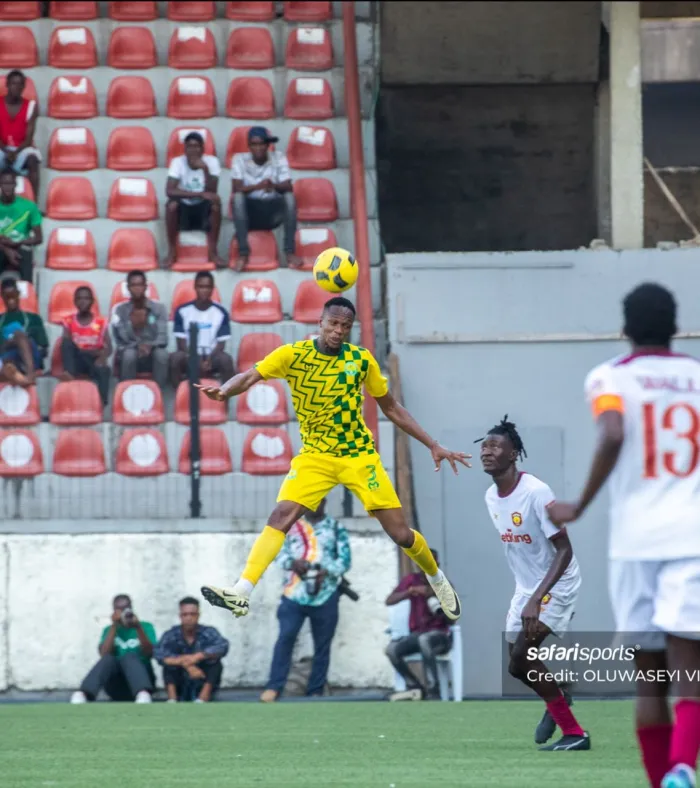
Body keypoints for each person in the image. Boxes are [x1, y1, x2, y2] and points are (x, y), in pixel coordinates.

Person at [197, 296, 469, 625]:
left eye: (345, 326)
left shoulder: (361, 360)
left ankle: (436, 579)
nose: (338, 331)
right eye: (333, 324)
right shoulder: (292, 356)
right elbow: (251, 376)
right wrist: (225, 391)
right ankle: (242, 590)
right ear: (320, 323)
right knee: (281, 514)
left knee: (401, 534)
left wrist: (432, 444)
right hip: (315, 455)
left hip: (358, 455)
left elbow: (391, 408)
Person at [548, 283, 700, 788]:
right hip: (692, 539)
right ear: (676, 327)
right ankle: (682, 765)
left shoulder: (610, 377)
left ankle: (665, 778)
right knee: (689, 671)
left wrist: (580, 504)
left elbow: (612, 432)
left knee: (650, 677)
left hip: (637, 543)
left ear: (626, 328)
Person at [479, 416, 588, 750]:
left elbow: (565, 550)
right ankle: (560, 698)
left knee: (522, 658)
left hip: (557, 584)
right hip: (527, 588)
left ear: (513, 454)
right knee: (517, 665)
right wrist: (528, 594)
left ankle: (575, 733)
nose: (487, 451)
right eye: (484, 445)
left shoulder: (537, 493)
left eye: (496, 446)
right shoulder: (490, 497)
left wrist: (537, 598)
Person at [261, 498, 351, 703]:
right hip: (294, 593)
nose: (315, 505)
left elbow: (345, 561)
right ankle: (274, 687)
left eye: (319, 501)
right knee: (285, 638)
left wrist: (326, 571)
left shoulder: (336, 528)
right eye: (311, 501)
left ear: (325, 502)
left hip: (326, 593)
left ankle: (315, 690)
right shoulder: (291, 527)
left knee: (322, 645)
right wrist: (293, 563)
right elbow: (277, 554)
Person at [385, 549, 452, 701]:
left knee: (425, 641)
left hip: (440, 636)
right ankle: (415, 687)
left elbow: (453, 619)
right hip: (417, 634)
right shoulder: (411, 581)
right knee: (391, 650)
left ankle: (433, 691)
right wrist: (409, 592)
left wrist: (433, 593)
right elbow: (389, 600)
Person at [231, 126, 300, 271]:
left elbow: (288, 186)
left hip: (272, 211)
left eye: (262, 144)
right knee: (237, 198)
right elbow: (236, 188)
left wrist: (273, 185)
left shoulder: (279, 157)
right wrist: (259, 186)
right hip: (250, 213)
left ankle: (289, 252)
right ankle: (243, 253)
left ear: (268, 145)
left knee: (289, 198)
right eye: (254, 144)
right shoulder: (239, 159)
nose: (258, 148)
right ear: (249, 146)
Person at [70, 594, 156, 704]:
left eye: (126, 608)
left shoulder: (146, 626)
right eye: (119, 609)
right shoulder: (108, 630)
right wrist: (114, 626)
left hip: (144, 682)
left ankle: (143, 694)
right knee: (109, 659)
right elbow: (104, 654)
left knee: (129, 656)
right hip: (116, 685)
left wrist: (138, 628)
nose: (123, 612)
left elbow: (150, 653)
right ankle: (84, 694)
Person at [155, 597, 229, 703]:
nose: (189, 618)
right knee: (169, 665)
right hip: (180, 682)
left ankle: (202, 699)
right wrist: (187, 664)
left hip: (201, 678)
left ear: (198, 615)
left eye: (192, 614)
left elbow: (223, 646)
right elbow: (159, 654)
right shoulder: (171, 634)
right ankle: (172, 699)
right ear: (180, 616)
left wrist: (197, 657)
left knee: (215, 663)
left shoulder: (208, 632)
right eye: (185, 615)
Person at [165, 131, 223, 267]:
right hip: (184, 208)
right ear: (185, 149)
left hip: (203, 209)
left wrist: (205, 170)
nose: (193, 150)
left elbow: (212, 191)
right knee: (171, 205)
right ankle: (172, 251)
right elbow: (169, 191)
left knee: (216, 203)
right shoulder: (177, 162)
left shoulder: (212, 161)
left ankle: (213, 251)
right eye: (189, 147)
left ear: (203, 148)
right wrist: (198, 194)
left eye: (197, 146)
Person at [169, 271, 234, 388]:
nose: (204, 290)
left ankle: (224, 400)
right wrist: (196, 358)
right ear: (195, 287)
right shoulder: (182, 311)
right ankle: (180, 397)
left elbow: (221, 344)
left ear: (212, 289)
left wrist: (209, 359)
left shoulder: (221, 312)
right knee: (175, 358)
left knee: (226, 360)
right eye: (201, 286)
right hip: (189, 354)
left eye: (208, 287)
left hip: (212, 356)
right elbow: (181, 344)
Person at [111, 271, 168, 390]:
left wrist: (149, 346)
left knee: (161, 354)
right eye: (133, 285)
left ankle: (158, 394)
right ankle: (126, 393)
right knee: (129, 355)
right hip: (130, 350)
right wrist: (134, 326)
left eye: (140, 285)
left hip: (152, 352)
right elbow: (121, 339)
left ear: (145, 287)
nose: (137, 289)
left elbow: (163, 338)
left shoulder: (159, 308)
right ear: (128, 288)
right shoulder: (120, 310)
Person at [61, 285, 111, 405]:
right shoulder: (68, 321)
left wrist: (102, 358)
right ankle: (70, 375)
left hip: (93, 359)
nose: (83, 301)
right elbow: (66, 345)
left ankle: (101, 403)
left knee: (104, 369)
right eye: (79, 298)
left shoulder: (101, 322)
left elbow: (109, 346)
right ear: (75, 301)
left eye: (86, 298)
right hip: (77, 359)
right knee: (66, 343)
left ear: (92, 301)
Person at [0, 71, 41, 199]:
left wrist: (16, 153)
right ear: (7, 85)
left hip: (22, 149)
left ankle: (34, 204)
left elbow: (29, 138)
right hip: (2, 148)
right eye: (13, 83)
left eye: (20, 85)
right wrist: (6, 151)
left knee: (33, 160)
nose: (16, 87)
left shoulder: (31, 106)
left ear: (23, 87)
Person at [0, 276, 47, 384]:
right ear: (2, 297)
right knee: (8, 364)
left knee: (19, 335)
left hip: (30, 360)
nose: (11, 301)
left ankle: (29, 376)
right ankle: (19, 378)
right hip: (8, 359)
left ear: (18, 294)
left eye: (13, 296)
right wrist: (9, 344)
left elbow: (44, 348)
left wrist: (22, 342)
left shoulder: (34, 318)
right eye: (7, 297)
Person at [0, 168, 42, 282]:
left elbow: (39, 238)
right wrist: (6, 250)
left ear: (15, 185)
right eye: (4, 183)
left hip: (20, 246)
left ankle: (28, 294)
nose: (7, 187)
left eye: (10, 183)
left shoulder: (29, 206)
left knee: (26, 253)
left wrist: (18, 242)